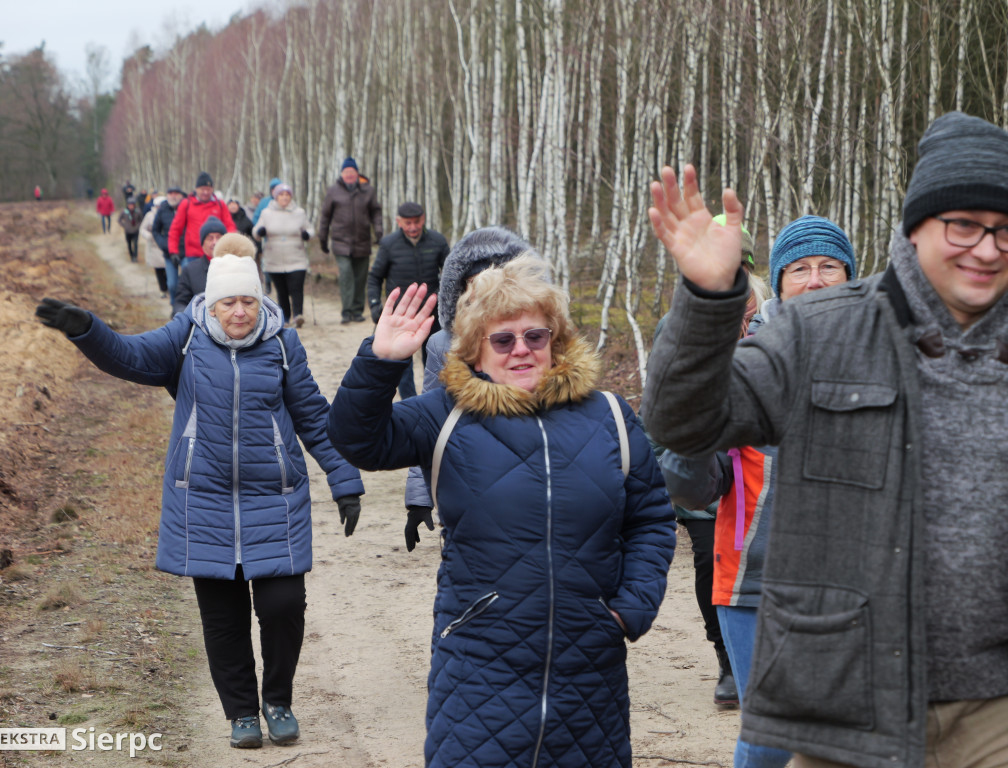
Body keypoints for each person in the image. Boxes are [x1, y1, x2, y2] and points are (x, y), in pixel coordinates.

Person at [641, 111, 1008, 768]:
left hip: (995, 710)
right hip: (848, 707)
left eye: (1005, 230)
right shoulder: (818, 331)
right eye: (965, 226)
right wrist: (705, 298)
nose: (987, 248)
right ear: (916, 227)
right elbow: (684, 423)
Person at [328, 255, 676, 767]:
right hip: (478, 665)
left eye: (535, 336)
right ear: (475, 347)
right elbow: (358, 441)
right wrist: (380, 363)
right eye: (503, 339)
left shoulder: (610, 417)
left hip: (590, 670)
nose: (521, 350)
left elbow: (650, 519)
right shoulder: (445, 415)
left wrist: (630, 609)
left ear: (555, 340)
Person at [35, 241, 364, 751]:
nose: (239, 311)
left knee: (284, 605)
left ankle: (277, 701)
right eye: (228, 302)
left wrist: (344, 480)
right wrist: (87, 329)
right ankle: (241, 714)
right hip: (202, 501)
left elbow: (315, 419)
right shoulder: (185, 338)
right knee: (223, 618)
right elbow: (129, 355)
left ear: (261, 302)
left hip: (273, 498)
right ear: (211, 304)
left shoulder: (283, 346)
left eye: (248, 302)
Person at [658, 215, 856, 768]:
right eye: (800, 269)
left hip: (855, 581)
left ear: (851, 277)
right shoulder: (745, 359)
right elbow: (692, 488)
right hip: (756, 580)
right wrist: (696, 422)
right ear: (780, 280)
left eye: (829, 267)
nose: (815, 280)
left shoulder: (879, 357)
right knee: (770, 739)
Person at [402, 226, 534, 551]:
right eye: (475, 285)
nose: (484, 293)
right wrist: (419, 497)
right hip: (464, 477)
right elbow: (426, 422)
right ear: (461, 290)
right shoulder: (441, 345)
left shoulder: (535, 340)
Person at [367, 201, 450, 399]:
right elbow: (375, 277)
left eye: (417, 222)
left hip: (432, 314)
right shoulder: (388, 244)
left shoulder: (437, 241)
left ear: (423, 219)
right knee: (403, 364)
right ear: (399, 222)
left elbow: (451, 275)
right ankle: (411, 402)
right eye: (407, 223)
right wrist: (374, 304)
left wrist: (448, 303)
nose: (413, 227)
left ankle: (434, 401)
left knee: (435, 360)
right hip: (401, 315)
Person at [318, 157, 383, 324]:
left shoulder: (368, 190)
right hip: (341, 242)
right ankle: (346, 311)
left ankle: (357, 310)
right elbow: (325, 216)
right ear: (342, 174)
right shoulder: (333, 191)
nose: (349, 175)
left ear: (356, 173)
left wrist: (378, 231)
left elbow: (376, 212)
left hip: (362, 241)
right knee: (346, 275)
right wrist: (322, 239)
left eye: (352, 172)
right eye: (346, 172)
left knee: (360, 278)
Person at [254, 183, 314, 328]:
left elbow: (310, 229)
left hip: (296, 257)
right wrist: (260, 232)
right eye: (281, 195)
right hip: (275, 258)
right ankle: (285, 317)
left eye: (287, 195)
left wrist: (307, 234)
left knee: (296, 286)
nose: (285, 197)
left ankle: (298, 315)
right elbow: (256, 231)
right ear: (276, 197)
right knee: (282, 290)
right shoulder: (267, 213)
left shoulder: (299, 212)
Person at [167, 172, 236, 265]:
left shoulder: (220, 205)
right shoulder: (186, 204)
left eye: (208, 189)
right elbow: (175, 229)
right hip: (194, 254)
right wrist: (173, 251)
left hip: (216, 253)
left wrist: (231, 246)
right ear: (196, 189)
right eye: (202, 189)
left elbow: (230, 226)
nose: (206, 192)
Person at [173, 217, 230, 316]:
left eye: (218, 237)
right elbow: (180, 303)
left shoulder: (236, 267)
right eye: (210, 238)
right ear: (202, 244)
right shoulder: (190, 270)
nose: (215, 242)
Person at [152, 186, 186, 306]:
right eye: (170, 193)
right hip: (169, 253)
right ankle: (174, 307)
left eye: (176, 193)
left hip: (186, 252)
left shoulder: (188, 207)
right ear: (167, 196)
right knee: (172, 284)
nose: (173, 196)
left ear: (181, 195)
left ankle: (188, 309)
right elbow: (155, 230)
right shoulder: (163, 209)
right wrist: (163, 244)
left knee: (187, 282)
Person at [140, 195, 169, 298]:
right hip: (154, 246)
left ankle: (169, 287)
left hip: (166, 245)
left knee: (168, 269)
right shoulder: (149, 215)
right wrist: (148, 236)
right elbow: (142, 229)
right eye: (157, 206)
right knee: (159, 269)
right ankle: (163, 290)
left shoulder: (168, 214)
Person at [118, 197, 143, 262]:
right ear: (127, 205)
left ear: (134, 205)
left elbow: (141, 220)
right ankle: (131, 256)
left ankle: (135, 256)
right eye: (129, 205)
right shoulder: (124, 211)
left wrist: (138, 226)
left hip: (135, 230)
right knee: (129, 244)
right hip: (128, 231)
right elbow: (119, 220)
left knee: (135, 244)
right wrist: (124, 225)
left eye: (132, 205)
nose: (131, 206)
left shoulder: (138, 211)